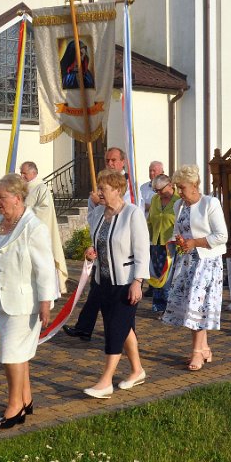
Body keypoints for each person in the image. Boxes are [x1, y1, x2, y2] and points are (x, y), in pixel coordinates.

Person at [0, 174, 57, 428]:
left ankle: (14, 406)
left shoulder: (33, 227)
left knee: (10, 354)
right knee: (19, 353)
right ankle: (26, 399)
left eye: (2, 198)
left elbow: (46, 268)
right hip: (1, 302)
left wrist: (46, 303)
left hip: (25, 304)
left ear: (17, 198)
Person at [82, 170, 149, 398]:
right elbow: (99, 243)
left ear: (118, 190)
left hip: (126, 282)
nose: (100, 193)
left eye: (104, 189)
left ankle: (106, 381)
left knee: (115, 329)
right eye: (99, 188)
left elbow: (142, 251)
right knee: (123, 326)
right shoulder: (99, 213)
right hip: (103, 281)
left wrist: (138, 282)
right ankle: (137, 370)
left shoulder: (133, 213)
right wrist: (91, 253)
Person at [161, 165, 227, 370]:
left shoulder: (210, 203)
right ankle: (205, 348)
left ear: (194, 184)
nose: (179, 192)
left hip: (206, 263)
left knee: (196, 306)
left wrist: (195, 242)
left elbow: (222, 236)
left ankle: (197, 353)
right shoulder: (179, 205)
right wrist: (175, 240)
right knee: (194, 306)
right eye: (178, 188)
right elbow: (180, 230)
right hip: (187, 262)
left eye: (182, 187)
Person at [64, 147, 132, 340]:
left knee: (119, 300)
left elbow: (123, 211)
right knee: (96, 290)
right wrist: (96, 202)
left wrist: (102, 202)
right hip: (103, 253)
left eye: (114, 160)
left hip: (121, 256)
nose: (110, 163)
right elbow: (93, 220)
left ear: (122, 163)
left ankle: (125, 334)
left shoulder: (128, 186)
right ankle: (85, 327)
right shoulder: (97, 187)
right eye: (107, 160)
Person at [20, 161, 68, 294]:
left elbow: (44, 210)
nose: (22, 176)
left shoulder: (41, 188)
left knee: (42, 263)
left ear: (34, 173)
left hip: (38, 233)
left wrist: (23, 212)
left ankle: (49, 292)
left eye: (25, 173)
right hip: (24, 232)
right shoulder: (23, 188)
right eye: (21, 173)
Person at [147, 173, 177, 313]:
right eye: (155, 190)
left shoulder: (178, 200)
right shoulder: (155, 199)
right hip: (156, 243)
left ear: (170, 185)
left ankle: (170, 308)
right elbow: (150, 221)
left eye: (160, 190)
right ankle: (159, 307)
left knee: (169, 277)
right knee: (157, 276)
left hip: (172, 244)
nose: (158, 193)